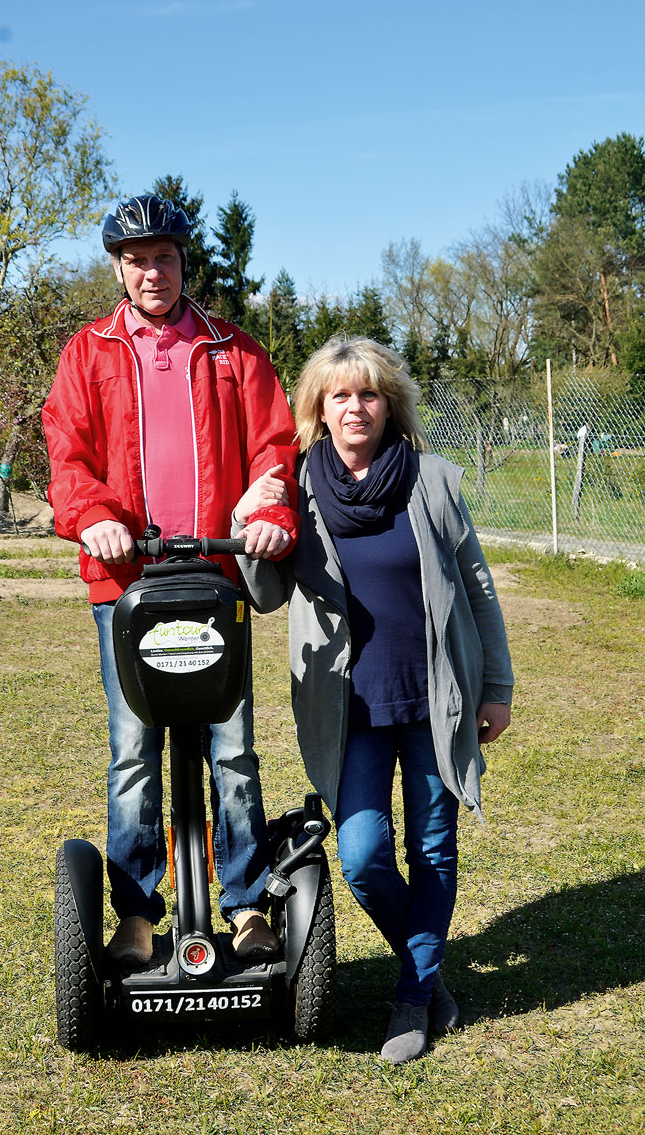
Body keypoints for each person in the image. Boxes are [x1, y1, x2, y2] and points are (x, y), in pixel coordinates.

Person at [235, 335, 513, 1063]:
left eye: (368, 394)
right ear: (317, 410)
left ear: (390, 404)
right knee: (361, 857)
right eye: (340, 395)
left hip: (435, 699)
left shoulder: (432, 482)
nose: (355, 407)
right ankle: (430, 973)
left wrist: (498, 689)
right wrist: (249, 520)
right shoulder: (294, 486)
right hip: (348, 707)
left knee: (432, 849)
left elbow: (477, 590)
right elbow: (263, 596)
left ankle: (414, 998)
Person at [42, 194, 299, 965]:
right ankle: (137, 915)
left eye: (163, 257)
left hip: (217, 573)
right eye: (135, 259)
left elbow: (274, 449)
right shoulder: (87, 353)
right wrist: (91, 516)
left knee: (233, 749)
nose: (150, 271)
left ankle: (249, 905)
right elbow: (67, 458)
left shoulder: (234, 349)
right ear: (118, 268)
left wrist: (270, 507)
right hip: (127, 583)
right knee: (133, 751)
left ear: (184, 262)